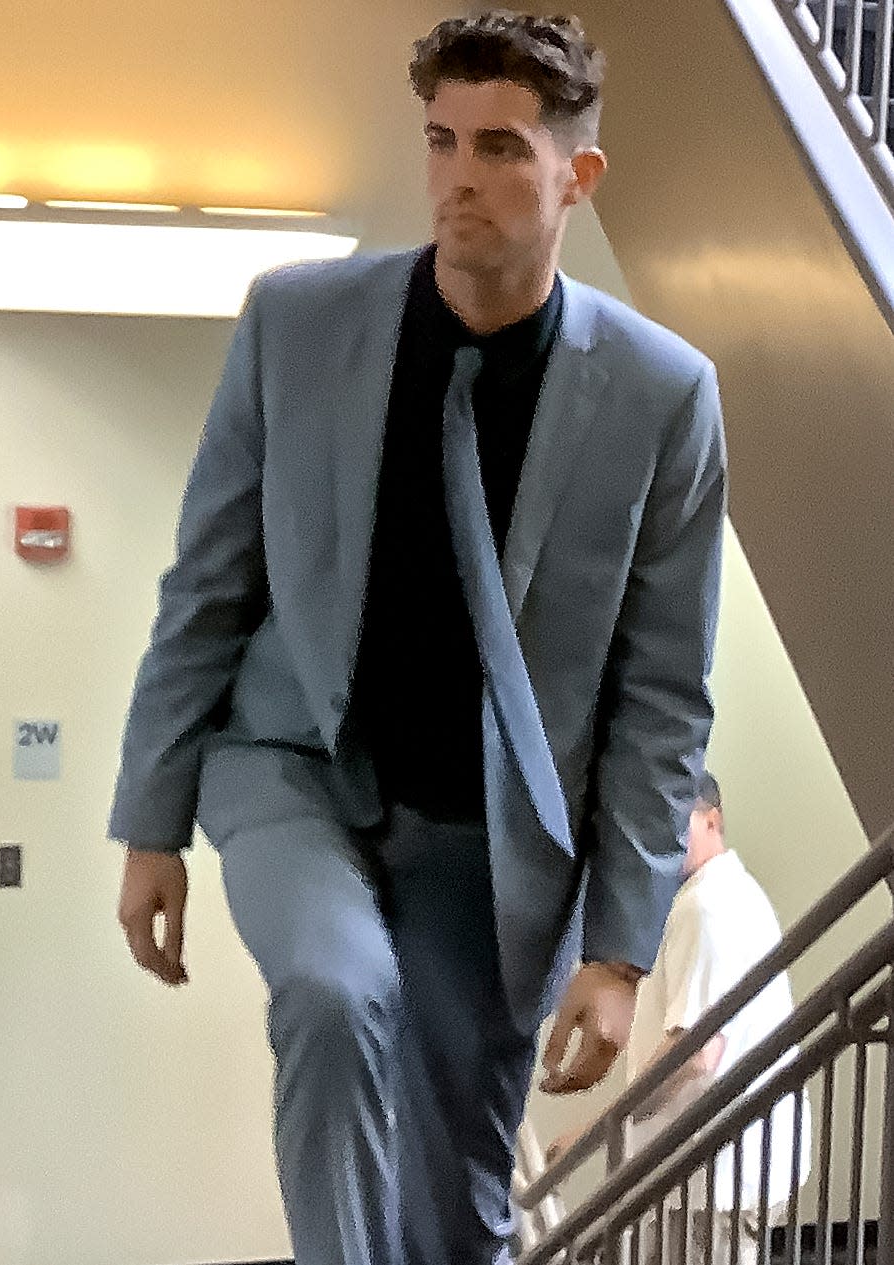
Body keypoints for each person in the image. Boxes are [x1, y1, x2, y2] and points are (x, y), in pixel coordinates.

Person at [109, 12, 727, 1265]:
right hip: (291, 768)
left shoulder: (665, 396)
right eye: (440, 141)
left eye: (499, 147)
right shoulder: (296, 322)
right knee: (339, 996)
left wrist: (618, 949)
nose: (457, 177)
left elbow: (662, 696)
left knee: (458, 1198)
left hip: (493, 840)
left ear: (575, 176)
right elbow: (208, 584)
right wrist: (149, 818)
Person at [548, 774, 811, 1265]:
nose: (664, 838)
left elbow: (696, 1053)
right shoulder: (737, 896)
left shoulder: (706, 907)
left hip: (710, 1176)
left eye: (677, 822)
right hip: (732, 1168)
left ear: (713, 822)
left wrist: (597, 1130)